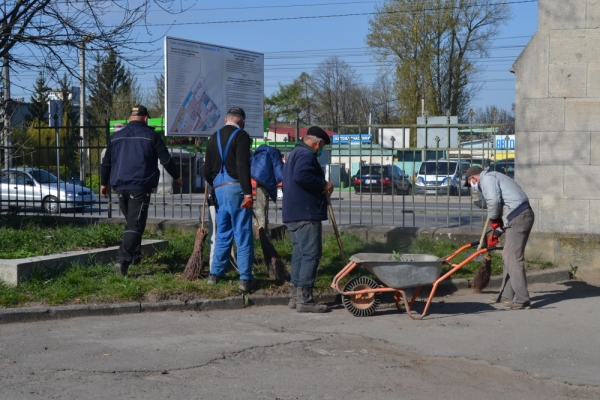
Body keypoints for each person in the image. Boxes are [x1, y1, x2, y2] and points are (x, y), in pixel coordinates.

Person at [100, 105, 183, 276]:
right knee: (135, 225)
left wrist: (103, 183)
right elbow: (166, 160)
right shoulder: (151, 136)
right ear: (145, 118)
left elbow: (106, 163)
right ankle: (122, 260)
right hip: (139, 186)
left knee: (134, 222)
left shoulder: (115, 137)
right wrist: (176, 177)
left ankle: (135, 255)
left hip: (119, 187)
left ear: (130, 118)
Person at [465, 165, 535, 310]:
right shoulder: (494, 177)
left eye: (470, 183)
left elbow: (494, 202)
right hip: (518, 216)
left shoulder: (488, 179)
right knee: (508, 256)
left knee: (513, 258)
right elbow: (506, 207)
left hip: (519, 216)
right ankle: (506, 295)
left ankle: (522, 299)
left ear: (473, 178)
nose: (472, 186)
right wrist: (496, 232)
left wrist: (494, 220)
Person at [202, 107, 255, 292]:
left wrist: (214, 184)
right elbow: (242, 165)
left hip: (219, 190)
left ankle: (214, 274)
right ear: (242, 121)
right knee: (242, 232)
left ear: (226, 119)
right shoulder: (241, 136)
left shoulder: (213, 137)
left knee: (222, 232)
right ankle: (245, 279)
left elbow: (205, 171)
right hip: (236, 188)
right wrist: (248, 193)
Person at [282, 126, 333, 313]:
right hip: (306, 213)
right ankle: (305, 299)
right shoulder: (306, 155)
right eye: (322, 146)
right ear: (317, 142)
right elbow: (303, 175)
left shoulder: (294, 152)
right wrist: (324, 184)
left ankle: (295, 296)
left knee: (300, 254)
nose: (320, 150)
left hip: (293, 213)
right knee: (311, 255)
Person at [251, 145, 284, 238]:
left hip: (259, 178)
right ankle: (261, 233)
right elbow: (280, 172)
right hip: (263, 180)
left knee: (261, 205)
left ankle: (261, 230)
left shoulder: (261, 152)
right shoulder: (273, 154)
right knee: (262, 206)